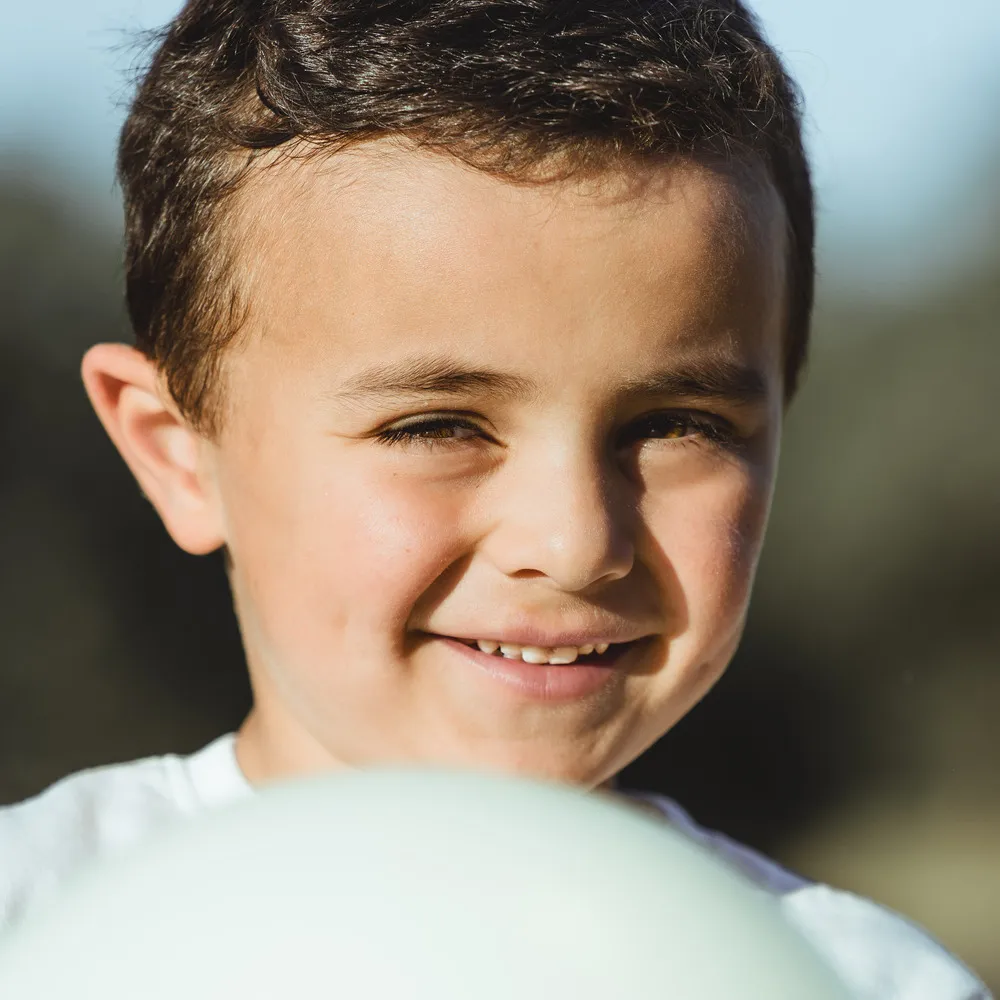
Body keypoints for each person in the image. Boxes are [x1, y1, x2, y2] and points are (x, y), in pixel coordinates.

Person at [0, 1, 989, 996]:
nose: (573, 541)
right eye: (436, 426)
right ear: (176, 454)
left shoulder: (855, 983)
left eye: (675, 424)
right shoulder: (36, 923)